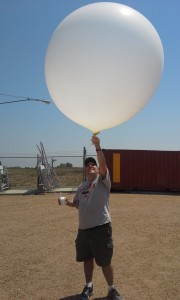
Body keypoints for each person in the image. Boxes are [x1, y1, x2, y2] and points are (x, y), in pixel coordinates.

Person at [60, 135, 124, 300]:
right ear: (85, 170)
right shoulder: (81, 187)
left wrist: (97, 147)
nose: (90, 166)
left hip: (101, 227)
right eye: (87, 165)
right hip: (83, 230)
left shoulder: (102, 181)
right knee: (87, 259)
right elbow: (77, 203)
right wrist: (66, 202)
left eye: (92, 164)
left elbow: (103, 165)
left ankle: (111, 289)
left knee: (104, 261)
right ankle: (88, 287)